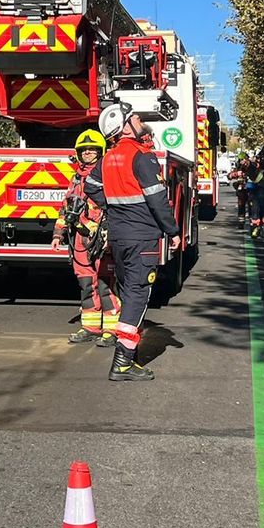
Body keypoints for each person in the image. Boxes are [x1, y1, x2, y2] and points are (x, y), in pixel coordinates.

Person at [87, 102, 182, 382]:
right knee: (138, 295)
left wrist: (114, 207)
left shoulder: (108, 158)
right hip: (142, 237)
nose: (139, 119)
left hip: (119, 236)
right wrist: (173, 230)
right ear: (125, 126)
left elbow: (91, 187)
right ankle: (123, 362)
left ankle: (128, 353)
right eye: (134, 118)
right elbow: (157, 200)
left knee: (129, 292)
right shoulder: (142, 156)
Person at [52, 129, 120, 346]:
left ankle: (112, 329)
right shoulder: (76, 178)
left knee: (105, 284)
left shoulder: (109, 175)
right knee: (86, 283)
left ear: (101, 152)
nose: (88, 153)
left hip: (102, 240)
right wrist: (58, 234)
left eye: (92, 150)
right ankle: (91, 326)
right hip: (80, 240)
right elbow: (66, 208)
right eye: (84, 150)